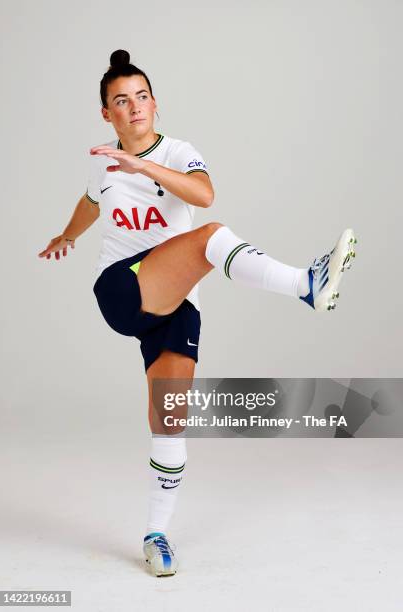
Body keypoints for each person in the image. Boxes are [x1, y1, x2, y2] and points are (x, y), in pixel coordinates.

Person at [38, 49, 357, 577]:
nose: (134, 107)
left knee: (170, 422)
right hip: (122, 286)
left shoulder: (180, 151)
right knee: (210, 239)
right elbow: (91, 202)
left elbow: (203, 193)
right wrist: (66, 235)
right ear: (107, 114)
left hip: (175, 303)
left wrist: (144, 165)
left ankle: (155, 534)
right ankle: (306, 284)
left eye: (141, 97)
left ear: (154, 104)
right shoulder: (103, 163)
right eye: (121, 101)